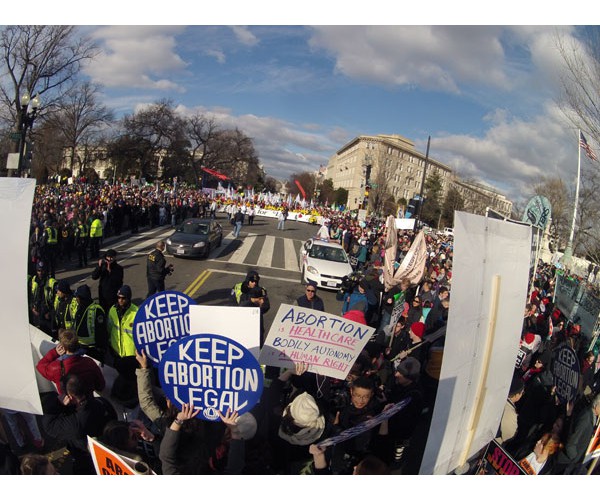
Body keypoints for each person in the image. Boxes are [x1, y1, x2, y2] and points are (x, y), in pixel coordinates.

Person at [40, 373, 117, 474]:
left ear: (70, 397)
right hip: (106, 454)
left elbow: (49, 426)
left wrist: (58, 404)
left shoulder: (75, 424)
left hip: (86, 461)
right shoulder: (101, 402)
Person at [36, 329, 106, 397]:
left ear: (62, 347)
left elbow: (40, 366)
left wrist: (55, 352)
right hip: (88, 402)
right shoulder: (89, 362)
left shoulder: (56, 368)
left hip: (68, 404)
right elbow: (101, 386)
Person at [107, 285, 139, 406]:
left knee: (131, 379)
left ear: (129, 298)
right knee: (120, 376)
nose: (120, 300)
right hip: (117, 352)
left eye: (123, 298)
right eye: (119, 297)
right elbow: (110, 328)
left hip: (130, 354)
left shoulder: (136, 312)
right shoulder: (112, 310)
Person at [554, 393, 600, 474]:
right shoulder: (586, 417)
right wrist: (574, 457)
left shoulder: (594, 417)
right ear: (597, 405)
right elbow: (572, 440)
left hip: (574, 463)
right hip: (567, 462)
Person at [71, 285, 107, 355]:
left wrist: (101, 347)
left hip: (92, 348)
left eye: (77, 297)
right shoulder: (79, 308)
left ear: (81, 298)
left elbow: (101, 331)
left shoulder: (97, 310)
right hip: (80, 345)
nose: (76, 299)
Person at [91, 248, 124, 315]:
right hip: (103, 294)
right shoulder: (103, 266)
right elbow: (94, 277)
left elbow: (119, 281)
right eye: (108, 257)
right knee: (103, 312)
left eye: (112, 257)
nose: (109, 259)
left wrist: (110, 272)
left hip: (113, 294)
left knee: (113, 313)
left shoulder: (119, 268)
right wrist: (99, 267)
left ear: (115, 257)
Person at [28, 260, 56, 335]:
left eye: (42, 270)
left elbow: (56, 301)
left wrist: (50, 313)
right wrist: (32, 308)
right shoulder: (33, 281)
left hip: (47, 313)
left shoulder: (51, 282)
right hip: (37, 312)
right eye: (39, 270)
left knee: (49, 334)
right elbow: (31, 296)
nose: (40, 272)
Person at [497, 376, 525, 445]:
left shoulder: (496, 396)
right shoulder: (510, 414)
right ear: (516, 395)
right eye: (522, 393)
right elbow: (509, 435)